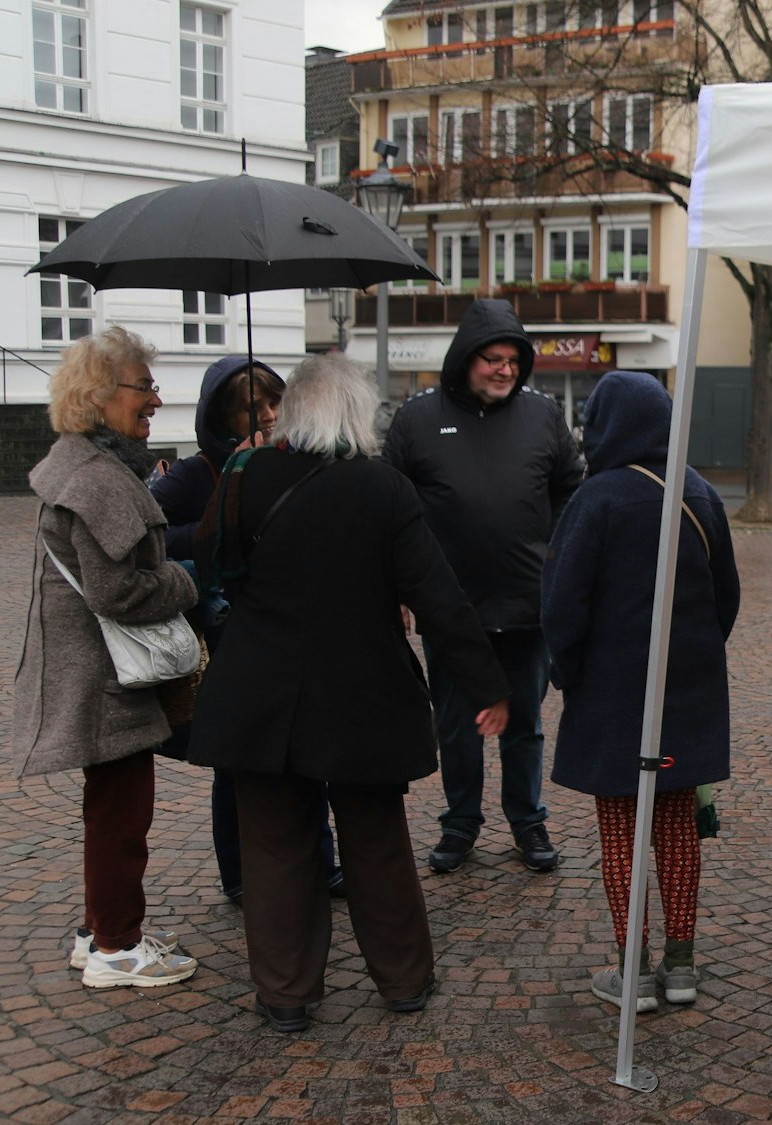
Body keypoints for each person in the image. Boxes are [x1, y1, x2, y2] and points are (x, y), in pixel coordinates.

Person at [187, 355, 510, 1033]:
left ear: (294, 411)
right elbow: (439, 597)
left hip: (260, 693)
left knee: (274, 848)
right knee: (377, 843)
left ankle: (285, 993)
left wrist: (239, 471)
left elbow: (213, 564)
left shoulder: (248, 476)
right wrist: (486, 683)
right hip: (361, 693)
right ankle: (404, 981)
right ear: (356, 414)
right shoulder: (383, 488)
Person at [542, 372, 739, 1011]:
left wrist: (567, 673)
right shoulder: (700, 493)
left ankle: (634, 973)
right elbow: (726, 598)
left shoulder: (595, 499)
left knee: (623, 828)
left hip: (611, 694)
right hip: (687, 690)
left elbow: (562, 605)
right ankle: (681, 969)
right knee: (678, 822)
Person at [13, 326, 201, 988]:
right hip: (106, 679)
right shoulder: (97, 479)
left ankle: (101, 927)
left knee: (111, 807)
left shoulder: (83, 466)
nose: (154, 398)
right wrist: (186, 579)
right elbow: (120, 588)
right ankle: (117, 948)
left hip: (92, 671)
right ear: (101, 394)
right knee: (123, 813)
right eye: (144, 386)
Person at [385, 299, 583, 875]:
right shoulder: (417, 417)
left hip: (526, 605)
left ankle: (527, 820)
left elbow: (572, 488)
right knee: (458, 725)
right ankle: (460, 824)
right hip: (450, 608)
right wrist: (401, 583)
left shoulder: (543, 416)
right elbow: (391, 504)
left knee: (524, 723)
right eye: (491, 359)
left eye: (513, 360)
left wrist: (555, 553)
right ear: (464, 360)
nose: (504, 370)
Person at [147, 357, 340, 906]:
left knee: (306, 751)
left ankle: (321, 863)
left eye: (277, 402)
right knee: (235, 763)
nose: (272, 415)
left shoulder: (296, 461)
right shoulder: (197, 472)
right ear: (223, 415)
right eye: (255, 406)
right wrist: (222, 519)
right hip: (229, 639)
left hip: (292, 631)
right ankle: (237, 873)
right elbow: (153, 536)